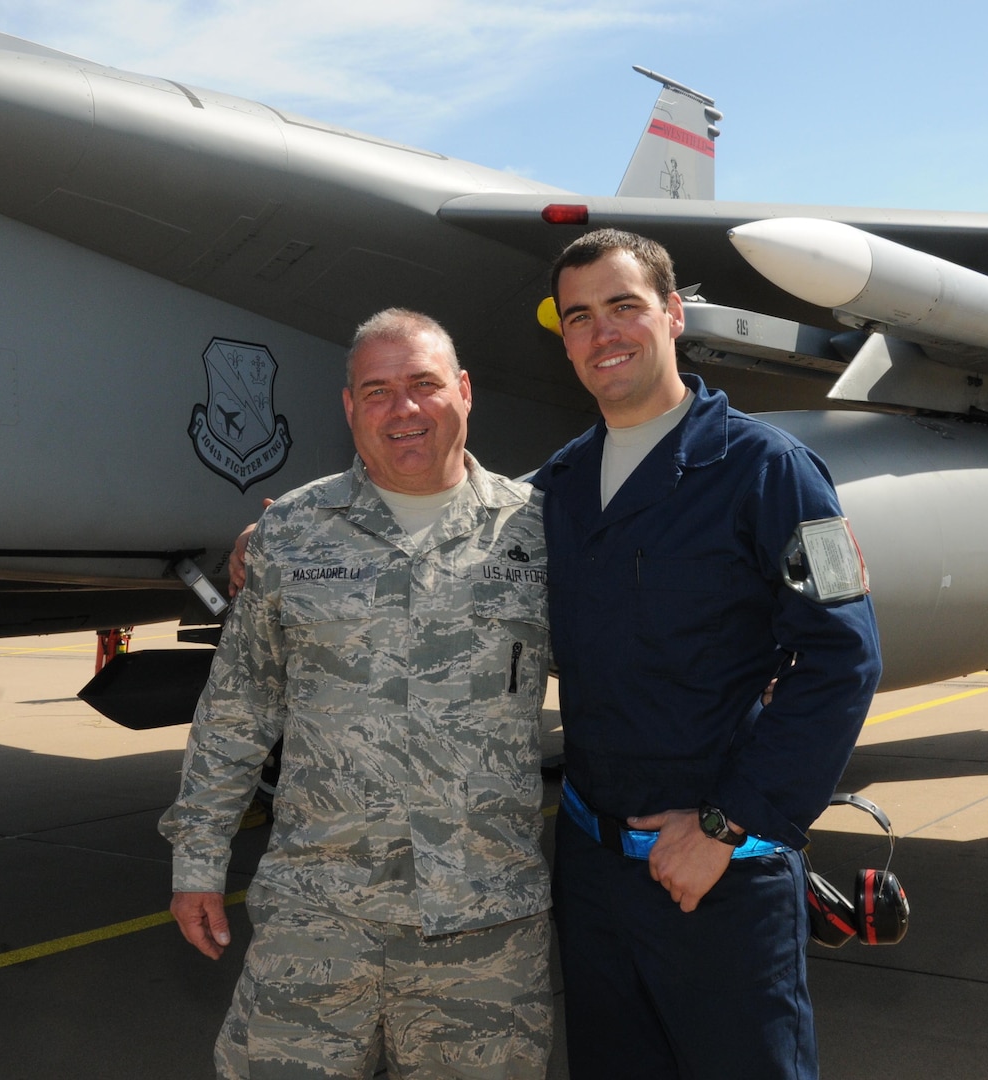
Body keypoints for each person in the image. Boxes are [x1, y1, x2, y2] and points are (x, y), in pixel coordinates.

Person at [159, 308, 554, 1079]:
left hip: (484, 929)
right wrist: (197, 861)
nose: (403, 410)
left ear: (465, 392)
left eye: (424, 385)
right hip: (317, 919)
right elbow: (238, 710)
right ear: (348, 408)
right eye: (377, 391)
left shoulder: (538, 532)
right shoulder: (294, 532)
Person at [534, 229, 882, 1079]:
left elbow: (844, 658)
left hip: (721, 874)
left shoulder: (770, 470)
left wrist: (729, 825)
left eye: (624, 306)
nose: (602, 333)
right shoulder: (558, 486)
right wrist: (279, 535)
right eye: (579, 317)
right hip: (592, 871)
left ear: (673, 314)